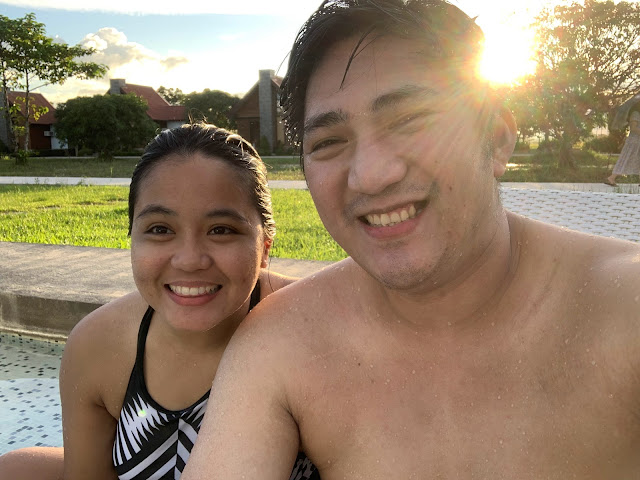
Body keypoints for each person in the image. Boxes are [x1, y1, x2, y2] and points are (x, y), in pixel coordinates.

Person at [181, 1, 640, 479]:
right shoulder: (282, 343)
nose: (371, 175)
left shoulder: (625, 310)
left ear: (498, 139)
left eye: (410, 120)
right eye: (329, 142)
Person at [0, 123, 319, 480]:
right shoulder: (97, 346)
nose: (189, 260)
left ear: (265, 246)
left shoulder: (313, 330)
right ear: (132, 239)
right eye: (160, 229)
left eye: (221, 230)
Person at [606, 106, 640, 186]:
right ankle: (611, 178)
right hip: (633, 142)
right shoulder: (635, 114)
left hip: (638, 141)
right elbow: (633, 128)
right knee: (625, 158)